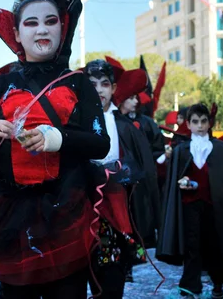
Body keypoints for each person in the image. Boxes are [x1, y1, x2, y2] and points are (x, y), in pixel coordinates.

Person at [0, 0, 110, 299]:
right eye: (31, 23)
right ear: (17, 35)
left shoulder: (78, 82)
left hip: (68, 206)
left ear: (62, 30)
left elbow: (100, 143)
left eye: (50, 21)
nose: (42, 29)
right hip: (11, 209)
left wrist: (58, 137)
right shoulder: (2, 84)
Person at [157, 104, 223, 299]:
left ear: (209, 123)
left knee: (213, 245)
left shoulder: (218, 149)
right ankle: (190, 286)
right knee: (192, 245)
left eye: (203, 122)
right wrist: (182, 182)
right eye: (195, 122)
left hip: (214, 205)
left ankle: (219, 280)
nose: (200, 126)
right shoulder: (181, 149)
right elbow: (177, 177)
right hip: (189, 205)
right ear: (189, 124)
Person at [84, 59, 161, 296]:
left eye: (104, 84)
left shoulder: (126, 127)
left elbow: (143, 170)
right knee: (83, 270)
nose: (98, 90)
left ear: (114, 89)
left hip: (118, 208)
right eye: (92, 84)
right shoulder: (73, 123)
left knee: (112, 272)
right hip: (81, 207)